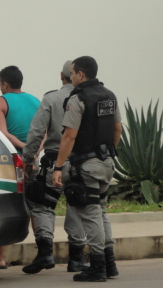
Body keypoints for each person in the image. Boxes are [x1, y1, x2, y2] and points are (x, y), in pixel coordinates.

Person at [52, 56, 122, 282]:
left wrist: (58, 167)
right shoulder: (109, 95)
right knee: (101, 211)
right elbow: (118, 129)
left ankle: (98, 267)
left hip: (87, 165)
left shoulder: (78, 98)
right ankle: (110, 265)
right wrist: (108, 152)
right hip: (106, 162)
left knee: (91, 213)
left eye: (72, 73)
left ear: (81, 75)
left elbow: (69, 136)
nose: (70, 77)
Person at [21, 60, 89, 275]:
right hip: (81, 165)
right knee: (77, 206)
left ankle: (45, 253)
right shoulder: (90, 98)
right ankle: (77, 259)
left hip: (53, 164)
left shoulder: (51, 98)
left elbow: (36, 132)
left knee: (42, 205)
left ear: (62, 76)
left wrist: (28, 158)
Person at [0, 65, 39, 270]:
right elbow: (46, 132)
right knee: (35, 208)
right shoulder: (35, 101)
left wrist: (22, 147)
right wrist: (34, 151)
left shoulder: (2, 101)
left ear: (5, 84)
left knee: (8, 205)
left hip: (12, 158)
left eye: (0, 84)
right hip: (34, 159)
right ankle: (43, 252)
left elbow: (1, 132)